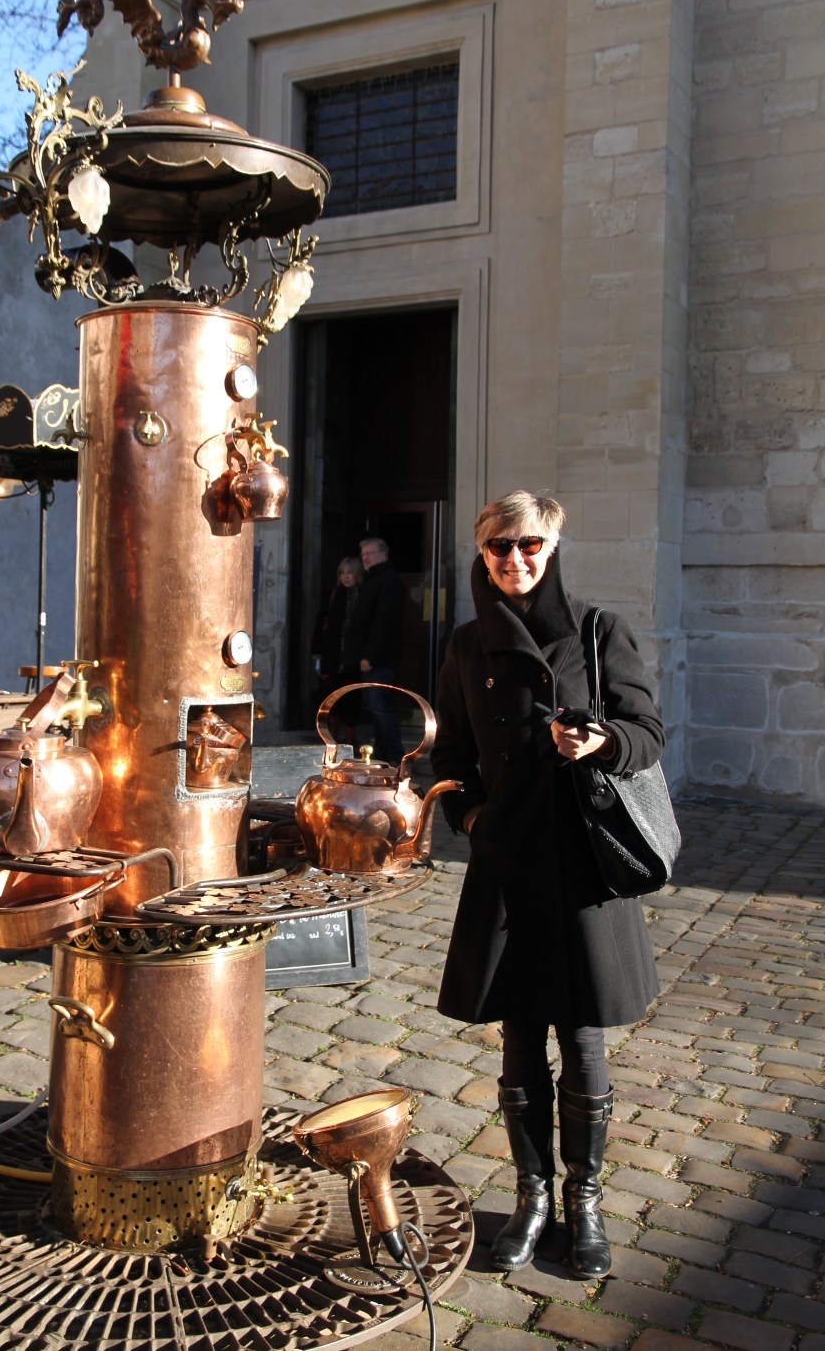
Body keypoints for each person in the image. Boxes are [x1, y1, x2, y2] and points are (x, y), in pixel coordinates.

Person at [431, 491, 664, 1280]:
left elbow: (647, 736)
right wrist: (468, 822)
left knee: (584, 1038)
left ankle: (584, 1202)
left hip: (583, 865)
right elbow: (451, 763)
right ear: (483, 554)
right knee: (520, 1038)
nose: (515, 560)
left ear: (553, 547)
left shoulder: (599, 632)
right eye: (499, 548)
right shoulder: (466, 646)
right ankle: (532, 1199)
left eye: (529, 545)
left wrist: (600, 743)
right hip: (508, 864)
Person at [344, 536, 405, 764]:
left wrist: (370, 655)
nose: (366, 559)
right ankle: (382, 756)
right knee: (376, 709)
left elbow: (384, 623)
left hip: (379, 659)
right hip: (370, 658)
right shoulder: (373, 580)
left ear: (383, 554)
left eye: (370, 554)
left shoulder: (388, 581)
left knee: (381, 708)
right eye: (363, 555)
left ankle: (397, 757)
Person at [312, 556, 365, 724]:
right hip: (332, 653)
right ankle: (332, 735)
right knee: (331, 694)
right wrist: (316, 651)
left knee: (352, 696)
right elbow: (321, 621)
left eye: (350, 572)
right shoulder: (334, 593)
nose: (346, 576)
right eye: (342, 573)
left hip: (354, 655)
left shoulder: (364, 594)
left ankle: (350, 735)